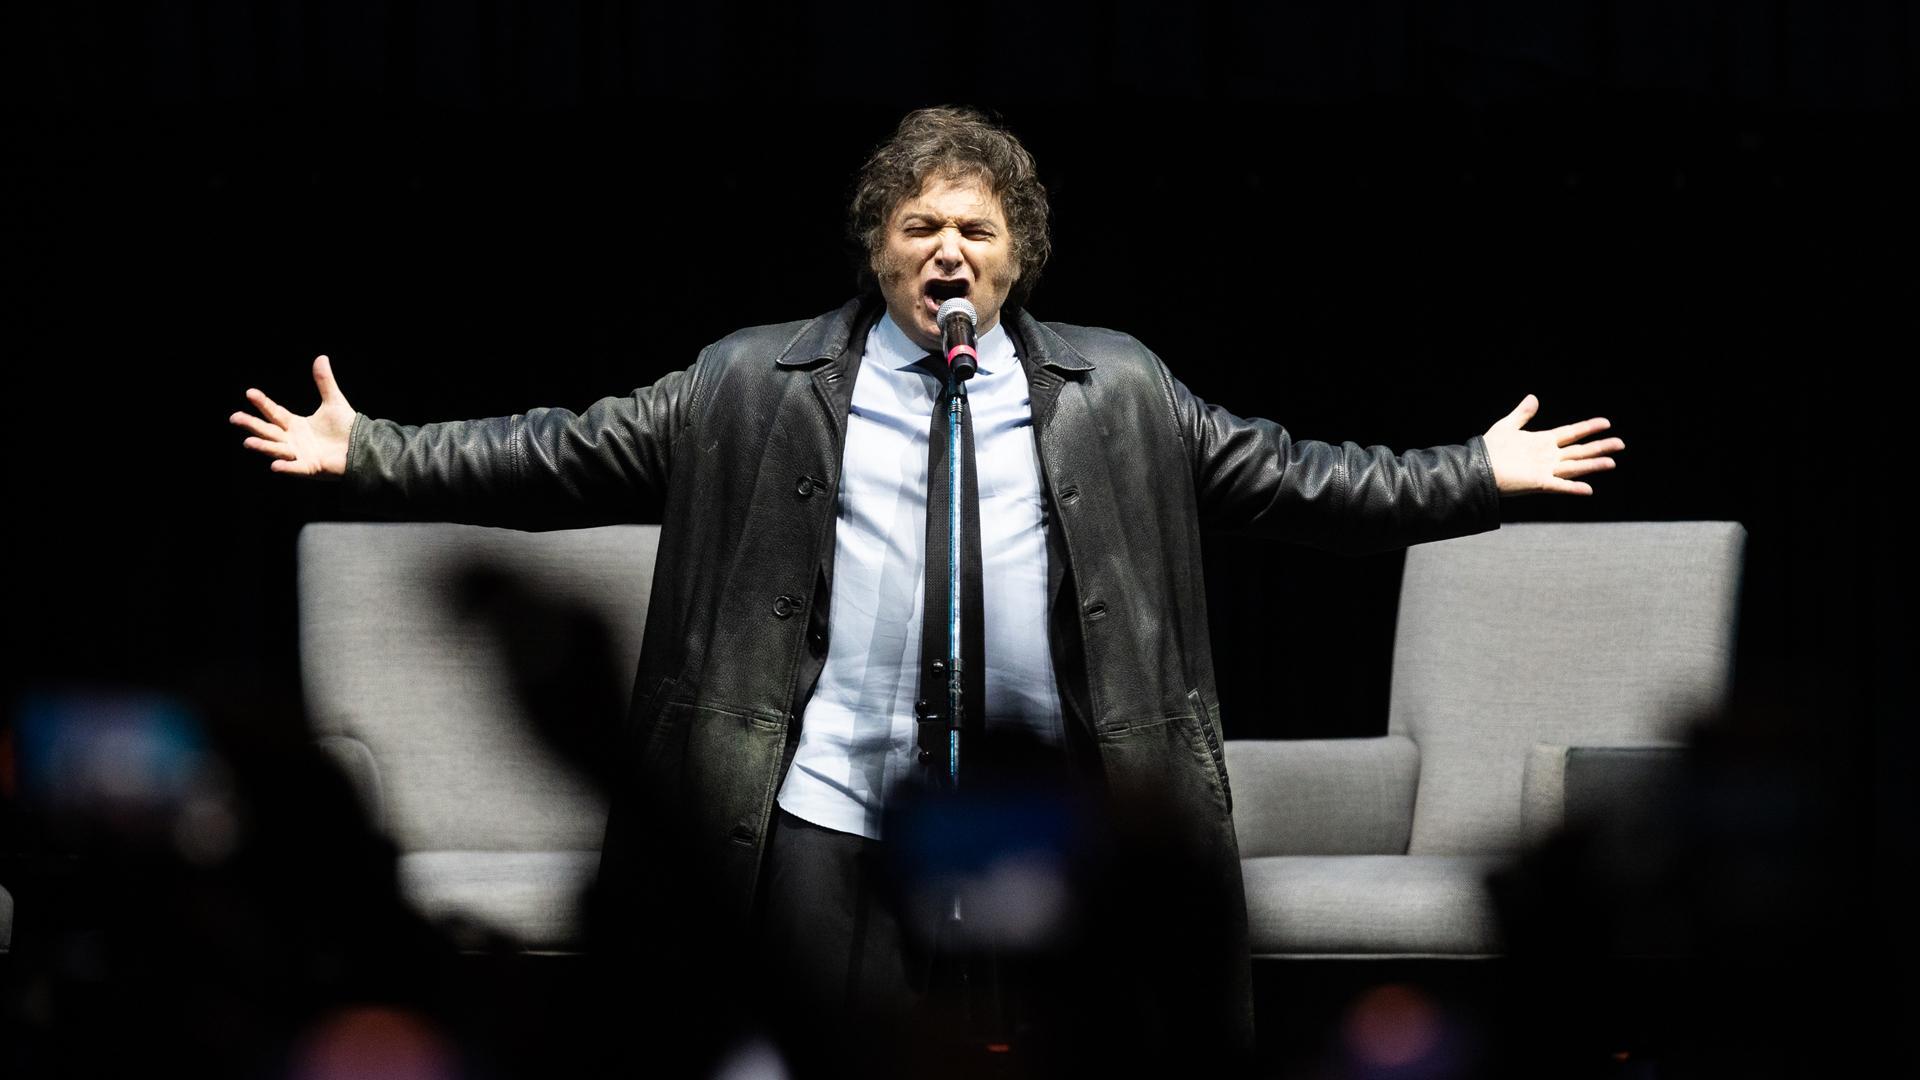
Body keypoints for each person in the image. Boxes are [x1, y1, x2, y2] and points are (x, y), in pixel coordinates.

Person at [232, 106, 1623, 1075]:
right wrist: (373, 452)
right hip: (828, 806)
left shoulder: (1118, 390)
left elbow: (1306, 481)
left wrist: (1475, 474)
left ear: (1017, 254)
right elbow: (555, 450)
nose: (944, 250)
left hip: (1054, 810)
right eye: (916, 226)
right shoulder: (748, 383)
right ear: (877, 251)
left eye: (971, 226)